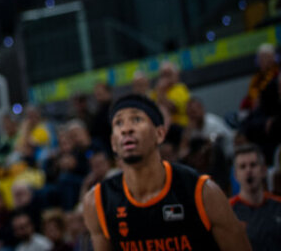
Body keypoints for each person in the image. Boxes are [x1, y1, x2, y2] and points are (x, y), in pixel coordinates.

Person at [80, 93, 250, 251]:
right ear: (113, 143)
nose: (126, 129)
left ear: (160, 134)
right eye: (118, 123)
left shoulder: (202, 192)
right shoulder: (97, 202)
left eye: (136, 119)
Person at [228, 143, 281, 251]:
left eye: (253, 165)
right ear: (236, 175)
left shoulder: (278, 205)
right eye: (243, 167)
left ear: (263, 170)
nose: (248, 171)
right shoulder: (228, 211)